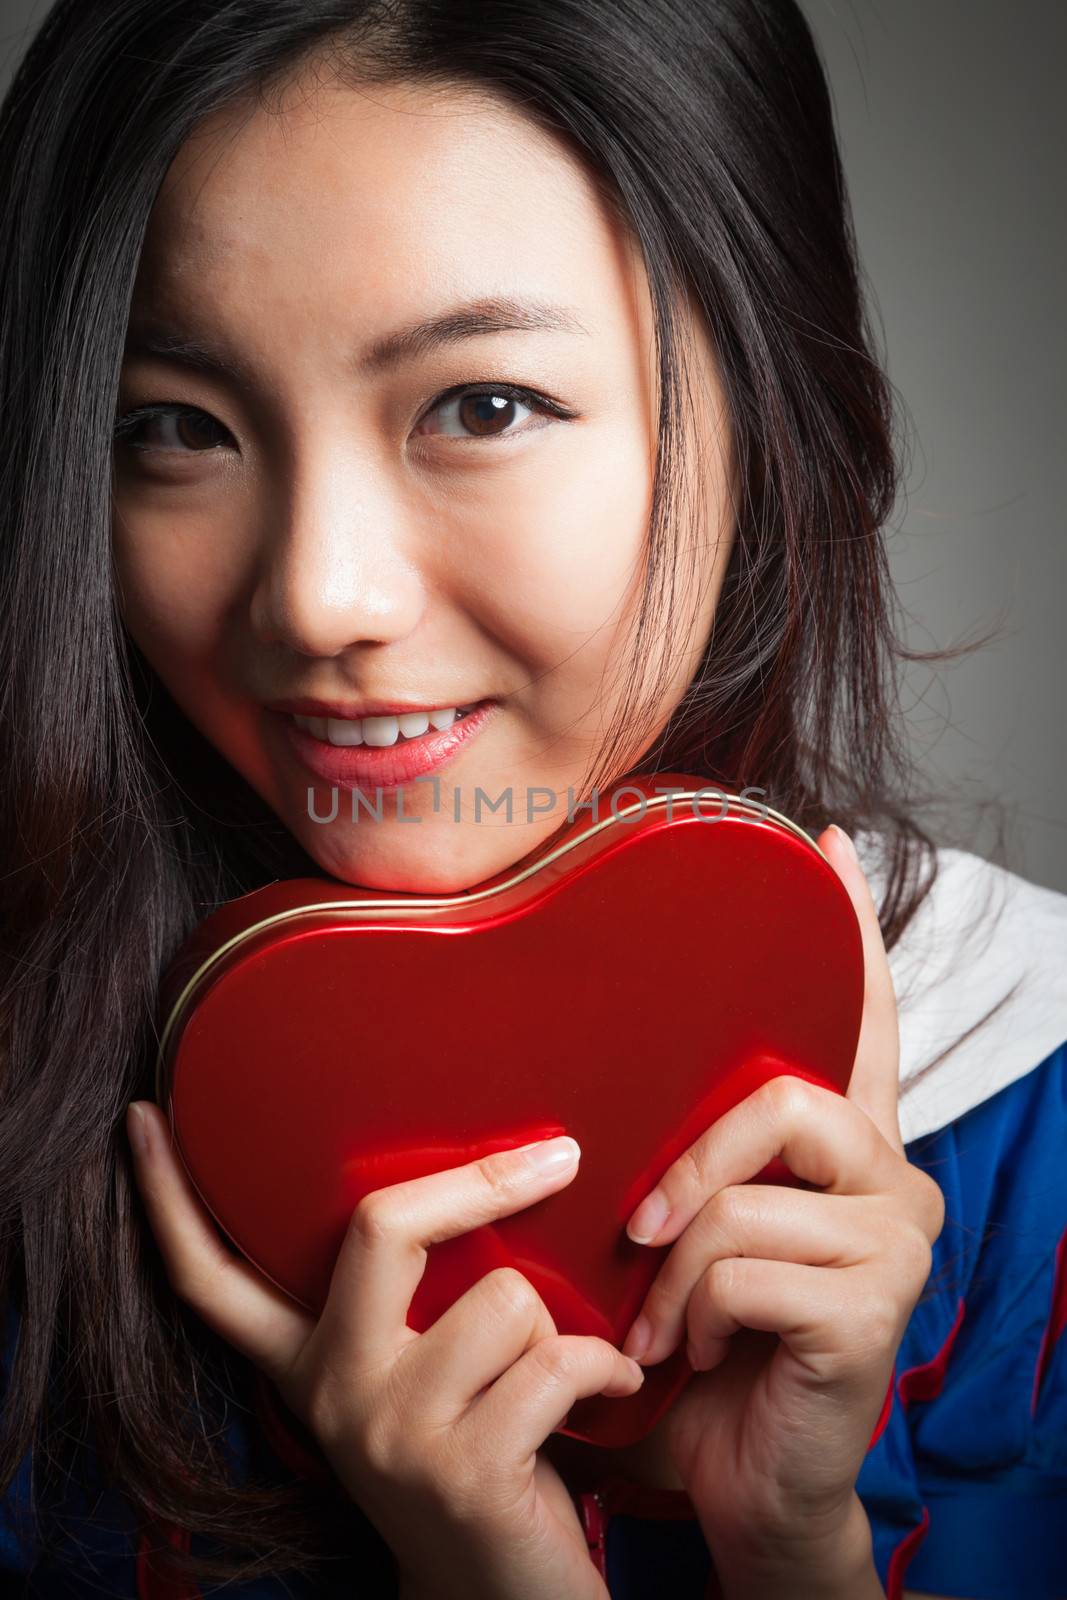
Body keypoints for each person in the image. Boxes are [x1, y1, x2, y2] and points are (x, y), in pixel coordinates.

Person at [0, 1, 1063, 1597]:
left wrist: (789, 1549)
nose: (318, 597)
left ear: (764, 418)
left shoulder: (1034, 1103)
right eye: (177, 428)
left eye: (481, 406)